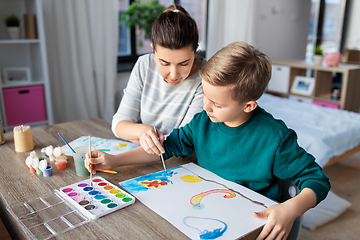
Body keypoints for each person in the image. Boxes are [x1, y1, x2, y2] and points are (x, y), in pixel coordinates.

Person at [87, 42, 330, 240]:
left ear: (248, 105)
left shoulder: (275, 138)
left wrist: (291, 208)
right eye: (206, 96)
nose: (206, 107)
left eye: (218, 104)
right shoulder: (204, 121)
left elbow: (317, 179)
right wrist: (115, 160)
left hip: (248, 221)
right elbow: (165, 147)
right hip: (204, 208)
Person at [112, 4, 205, 155]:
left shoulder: (205, 77)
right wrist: (144, 131)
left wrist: (137, 136)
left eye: (184, 63)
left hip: (183, 164)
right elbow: (118, 124)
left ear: (195, 50)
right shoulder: (144, 65)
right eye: (164, 63)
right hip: (145, 159)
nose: (174, 75)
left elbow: (184, 141)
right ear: (153, 50)